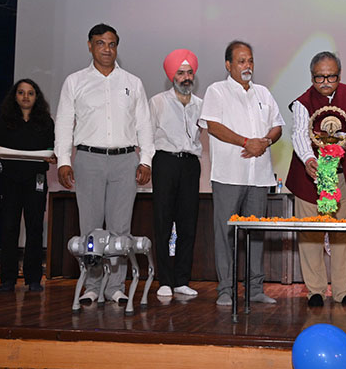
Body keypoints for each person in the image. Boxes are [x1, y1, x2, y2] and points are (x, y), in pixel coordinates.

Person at [55, 23, 155, 304]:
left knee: (120, 229)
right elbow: (64, 123)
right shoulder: (75, 81)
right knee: (90, 229)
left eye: (112, 44)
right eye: (100, 43)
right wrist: (63, 160)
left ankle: (115, 287)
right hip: (88, 159)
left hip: (126, 160)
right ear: (90, 46)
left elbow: (144, 125)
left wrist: (145, 160)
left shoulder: (133, 82)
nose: (107, 49)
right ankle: (91, 285)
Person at [199, 40, 283, 306]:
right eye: (241, 61)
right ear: (228, 65)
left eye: (250, 61)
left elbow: (277, 126)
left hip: (259, 176)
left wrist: (265, 142)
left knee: (256, 232)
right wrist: (247, 142)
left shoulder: (263, 93)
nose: (247, 66)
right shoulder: (217, 91)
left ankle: (255, 289)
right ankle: (226, 289)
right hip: (228, 175)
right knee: (226, 234)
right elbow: (213, 126)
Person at [285, 51, 346, 307]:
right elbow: (299, 135)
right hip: (309, 177)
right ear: (311, 76)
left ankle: (342, 291)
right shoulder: (302, 102)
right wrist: (308, 160)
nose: (325, 82)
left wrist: (338, 141)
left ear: (339, 75)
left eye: (331, 77)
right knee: (310, 234)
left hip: (342, 176)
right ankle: (315, 290)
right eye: (319, 77)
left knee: (342, 233)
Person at [0, 79, 55, 292]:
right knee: (9, 227)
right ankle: (8, 278)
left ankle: (33, 278)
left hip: (36, 179)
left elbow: (52, 149)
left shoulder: (45, 122)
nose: (25, 97)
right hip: (10, 179)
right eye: (21, 92)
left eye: (30, 93)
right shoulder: (5, 119)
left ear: (37, 97)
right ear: (15, 96)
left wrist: (53, 156)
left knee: (35, 227)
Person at [150, 49, 203, 298]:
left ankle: (182, 280)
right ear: (172, 75)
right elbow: (147, 135)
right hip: (165, 162)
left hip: (190, 165)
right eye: (181, 73)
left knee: (188, 223)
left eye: (189, 72)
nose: (186, 77)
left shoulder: (201, 105)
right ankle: (164, 280)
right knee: (163, 222)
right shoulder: (157, 102)